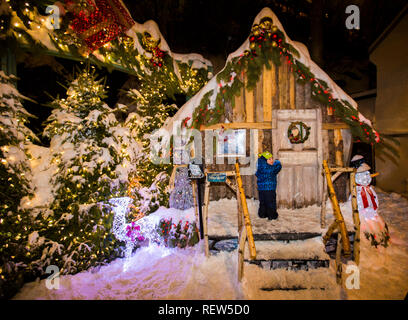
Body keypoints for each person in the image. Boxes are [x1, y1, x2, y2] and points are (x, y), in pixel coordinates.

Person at [255, 151, 282, 220]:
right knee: (271, 202)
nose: (272, 160)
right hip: (269, 189)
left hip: (261, 189)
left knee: (263, 202)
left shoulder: (260, 168)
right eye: (269, 159)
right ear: (264, 161)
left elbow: (257, 174)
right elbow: (278, 166)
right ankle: (272, 216)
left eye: (272, 158)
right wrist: (277, 161)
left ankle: (262, 214)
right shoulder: (270, 168)